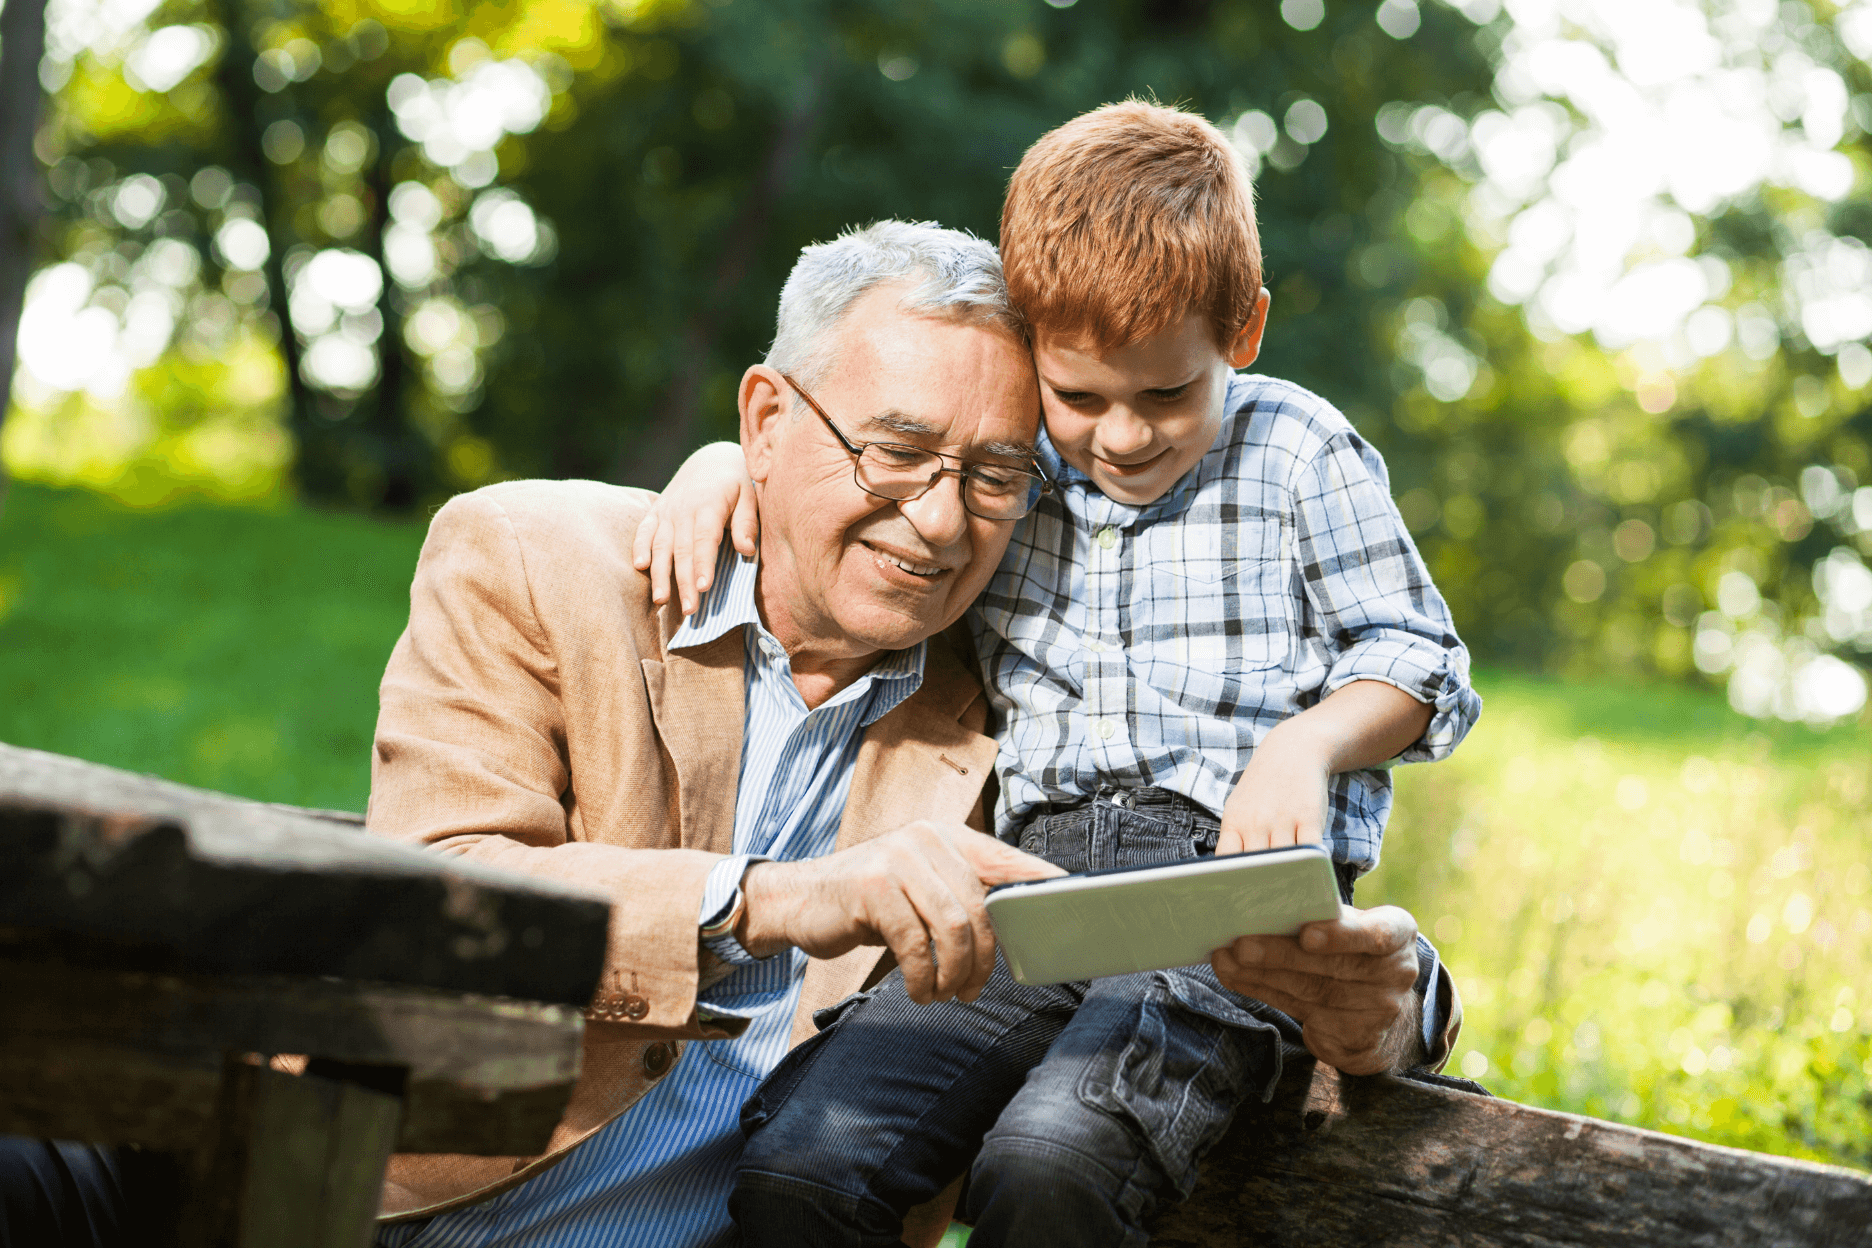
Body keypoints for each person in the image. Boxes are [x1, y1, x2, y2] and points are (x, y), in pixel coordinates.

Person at [635, 102, 1483, 1247]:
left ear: (1243, 329)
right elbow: (836, 470)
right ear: (1034, 348)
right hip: (1036, 884)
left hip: (1222, 902)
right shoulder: (1007, 470)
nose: (1122, 437)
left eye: (1166, 395)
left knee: (1052, 1163)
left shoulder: (1296, 452)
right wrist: (719, 467)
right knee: (808, 1157)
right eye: (1080, 398)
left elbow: (1420, 656)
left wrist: (1306, 743)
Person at [364, 221, 1070, 1246]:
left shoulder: (1024, 712)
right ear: (768, 420)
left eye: (994, 476)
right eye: (898, 454)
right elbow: (438, 899)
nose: (942, 521)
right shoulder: (530, 560)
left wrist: (1375, 1008)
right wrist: (774, 898)